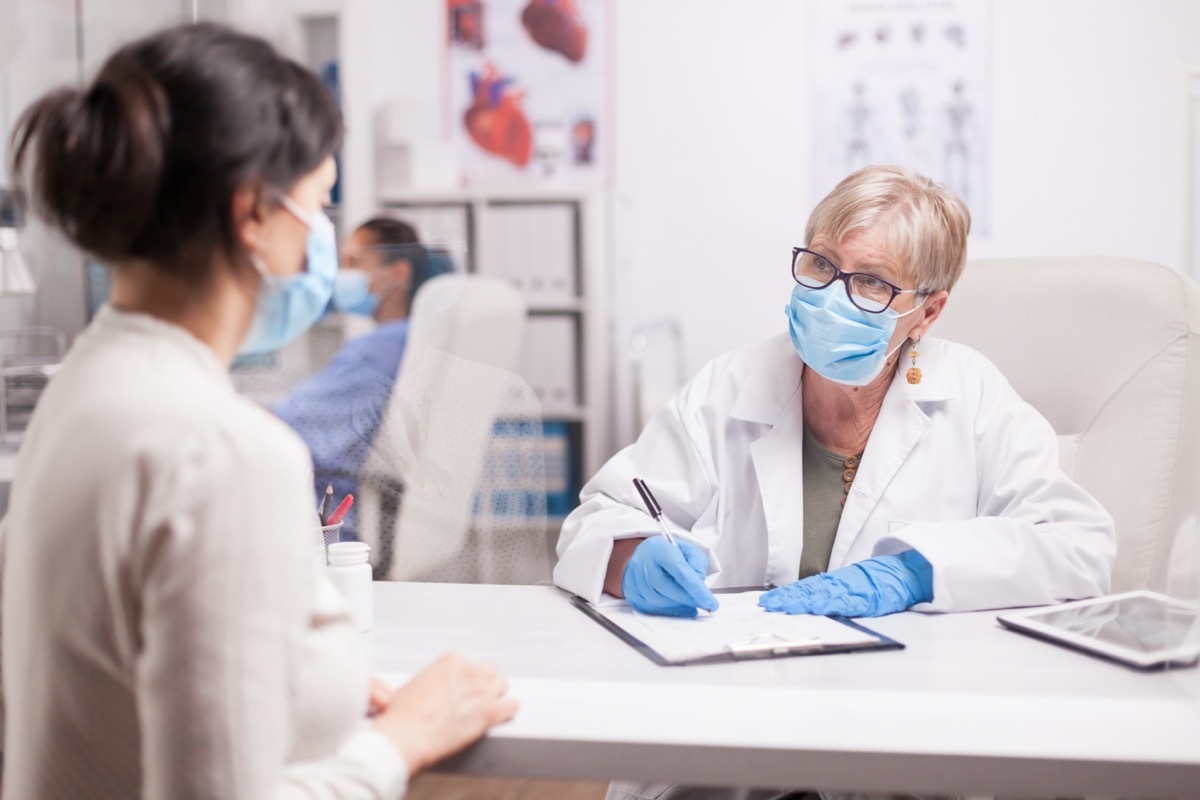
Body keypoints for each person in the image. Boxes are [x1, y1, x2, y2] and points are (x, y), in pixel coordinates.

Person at [0, 23, 514, 799]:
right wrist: (404, 739)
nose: (323, 238)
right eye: (318, 204)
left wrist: (314, 681)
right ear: (252, 213)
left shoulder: (83, 386)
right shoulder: (227, 455)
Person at [554, 165, 1115, 800]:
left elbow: (1080, 546)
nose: (833, 296)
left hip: (903, 750)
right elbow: (599, 516)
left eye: (871, 282)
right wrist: (631, 559)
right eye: (821, 265)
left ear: (927, 311)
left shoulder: (973, 396)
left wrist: (915, 573)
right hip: (729, 750)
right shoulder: (728, 387)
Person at [274, 218, 450, 545]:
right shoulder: (408, 341)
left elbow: (283, 428)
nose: (342, 274)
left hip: (326, 527)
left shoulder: (381, 349)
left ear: (397, 273)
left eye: (354, 262)